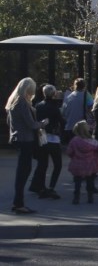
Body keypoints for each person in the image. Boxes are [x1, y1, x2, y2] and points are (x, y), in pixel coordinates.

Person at [6, 77, 49, 214]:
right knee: (24, 171)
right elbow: (30, 124)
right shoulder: (22, 103)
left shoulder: (14, 101)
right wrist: (43, 123)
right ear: (28, 89)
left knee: (23, 170)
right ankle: (18, 203)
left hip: (19, 138)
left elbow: (10, 122)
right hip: (26, 139)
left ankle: (18, 202)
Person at [30, 84, 65, 200]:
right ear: (54, 94)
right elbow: (61, 121)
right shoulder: (55, 106)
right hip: (53, 137)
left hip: (42, 136)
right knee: (57, 164)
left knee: (43, 163)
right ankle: (51, 186)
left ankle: (40, 186)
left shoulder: (38, 105)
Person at [66, 120, 98, 204]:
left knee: (77, 182)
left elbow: (69, 152)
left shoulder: (74, 140)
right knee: (90, 181)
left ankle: (76, 197)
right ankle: (90, 197)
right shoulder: (92, 141)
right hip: (90, 165)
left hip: (77, 165)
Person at [61, 78, 93, 143]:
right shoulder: (87, 95)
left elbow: (63, 112)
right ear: (84, 86)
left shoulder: (69, 96)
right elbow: (92, 107)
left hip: (70, 126)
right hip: (82, 127)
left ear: (75, 85)